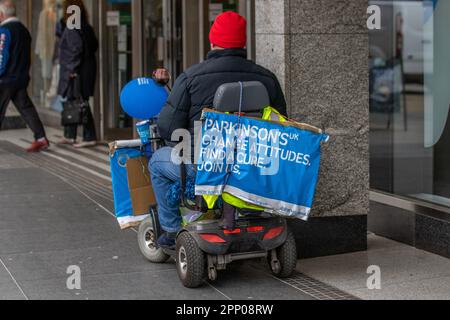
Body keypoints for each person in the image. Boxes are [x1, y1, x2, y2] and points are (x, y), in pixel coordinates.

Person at [150, 11, 287, 247]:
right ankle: (247, 210)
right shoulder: (267, 78)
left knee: (156, 162)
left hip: (203, 169)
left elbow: (168, 128)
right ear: (243, 43)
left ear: (212, 42)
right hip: (253, 169)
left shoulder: (191, 77)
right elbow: (282, 124)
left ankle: (171, 230)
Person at [0, 0, 49, 152]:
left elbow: (2, 55)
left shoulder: (5, 30)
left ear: (1, 14)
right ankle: (41, 138)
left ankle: (41, 138)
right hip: (21, 78)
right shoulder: (24, 30)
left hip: (6, 79)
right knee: (26, 107)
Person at [57, 0, 98, 148]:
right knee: (74, 100)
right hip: (84, 69)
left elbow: (76, 49)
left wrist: (72, 69)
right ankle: (70, 134)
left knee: (80, 102)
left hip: (78, 70)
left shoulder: (73, 25)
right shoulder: (84, 25)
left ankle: (89, 136)